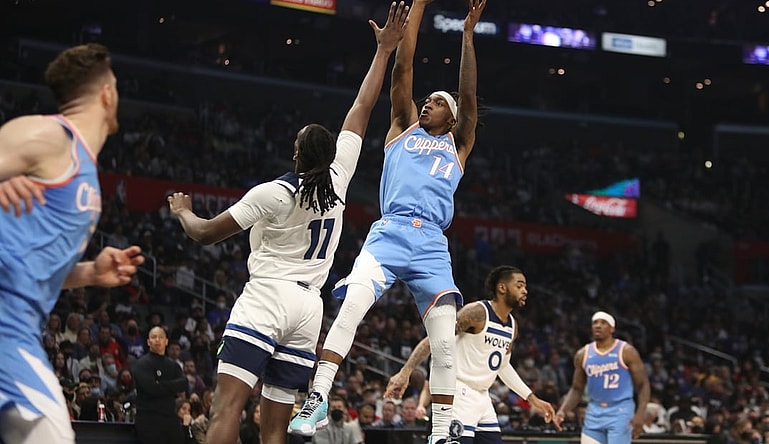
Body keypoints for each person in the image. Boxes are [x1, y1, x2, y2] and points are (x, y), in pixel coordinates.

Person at [167, 5, 409, 444]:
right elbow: (361, 106)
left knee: (226, 408)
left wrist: (182, 210)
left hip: (268, 298)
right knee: (275, 428)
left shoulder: (273, 193)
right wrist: (384, 52)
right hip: (308, 310)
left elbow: (203, 233)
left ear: (297, 155)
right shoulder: (339, 179)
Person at [289, 1, 486, 443]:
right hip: (391, 232)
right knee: (351, 307)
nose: (425, 105)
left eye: (436, 103)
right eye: (426, 100)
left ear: (451, 118)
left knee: (443, 343)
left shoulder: (459, 143)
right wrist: (416, 6)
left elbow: (470, 98)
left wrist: (467, 36)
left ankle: (440, 433)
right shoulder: (403, 127)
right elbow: (404, 67)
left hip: (433, 245)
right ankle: (317, 397)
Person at [0, 43, 144, 444]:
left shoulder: (80, 167)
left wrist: (90, 274)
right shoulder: (50, 136)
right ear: (107, 93)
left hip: (21, 326)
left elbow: (33, 268)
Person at [385, 265, 557, 443]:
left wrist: (532, 398)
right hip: (458, 392)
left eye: (525, 286)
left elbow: (503, 367)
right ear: (502, 288)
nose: (525, 290)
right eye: (519, 285)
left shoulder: (512, 326)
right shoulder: (478, 312)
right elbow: (435, 339)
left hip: (483, 397)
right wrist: (405, 372)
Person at [554, 311, 651, 444]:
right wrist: (562, 411)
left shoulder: (626, 351)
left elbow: (643, 384)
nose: (598, 326)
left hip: (620, 410)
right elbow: (577, 389)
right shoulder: (583, 354)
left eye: (603, 323)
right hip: (594, 411)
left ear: (612, 329)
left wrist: (640, 413)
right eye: (595, 323)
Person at [131, 326, 188, 444]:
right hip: (149, 418)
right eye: (154, 337)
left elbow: (184, 383)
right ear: (148, 341)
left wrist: (160, 384)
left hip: (170, 417)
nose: (157, 340)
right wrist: (172, 388)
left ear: (166, 341)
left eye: (161, 337)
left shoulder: (173, 364)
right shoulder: (142, 364)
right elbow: (151, 388)